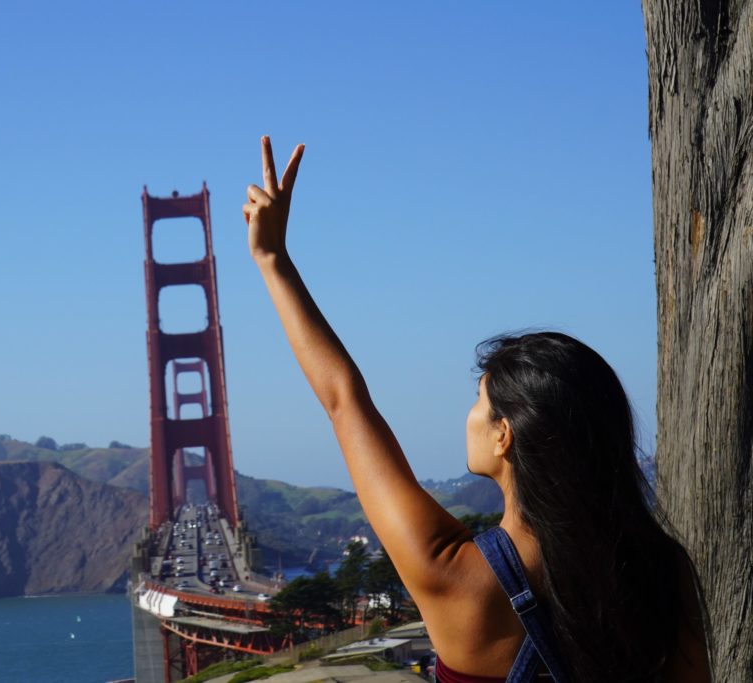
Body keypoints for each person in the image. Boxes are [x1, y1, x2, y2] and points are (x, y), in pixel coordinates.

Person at [242, 136, 711, 682]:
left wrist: (272, 260)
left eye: (479, 400)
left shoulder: (455, 575)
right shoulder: (663, 571)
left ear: (504, 436)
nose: (468, 413)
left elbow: (345, 401)